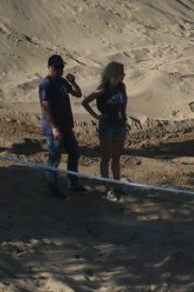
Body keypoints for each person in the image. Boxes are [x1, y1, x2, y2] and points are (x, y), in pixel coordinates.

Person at [81, 61, 128, 202]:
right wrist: (96, 116)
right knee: (106, 158)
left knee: (117, 158)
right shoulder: (103, 89)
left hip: (120, 125)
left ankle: (117, 185)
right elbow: (85, 102)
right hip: (107, 125)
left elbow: (125, 100)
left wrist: (123, 114)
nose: (124, 75)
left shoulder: (122, 86)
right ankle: (108, 189)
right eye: (121, 72)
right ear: (114, 74)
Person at [39, 54, 84, 199]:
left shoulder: (62, 82)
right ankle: (53, 190)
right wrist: (54, 127)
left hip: (66, 125)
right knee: (54, 159)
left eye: (62, 66)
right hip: (54, 128)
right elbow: (45, 106)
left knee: (75, 153)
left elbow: (78, 94)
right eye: (57, 66)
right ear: (50, 67)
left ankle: (73, 183)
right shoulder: (46, 84)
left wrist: (73, 82)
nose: (60, 69)